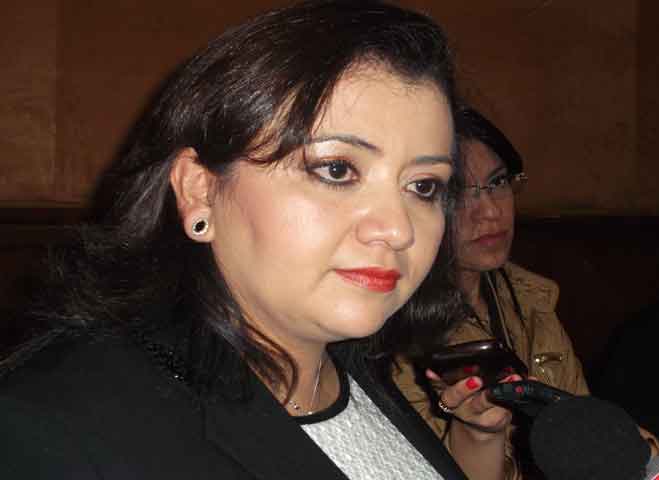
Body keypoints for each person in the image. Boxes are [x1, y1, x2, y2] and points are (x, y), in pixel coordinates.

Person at [0, 2, 476, 478]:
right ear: (200, 191)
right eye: (336, 170)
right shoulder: (55, 429)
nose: (398, 229)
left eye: (423, 186)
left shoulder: (351, 367)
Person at [393, 106, 659, 479]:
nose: (490, 211)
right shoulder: (393, 328)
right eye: (458, 192)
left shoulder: (531, 298)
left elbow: (584, 426)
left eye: (498, 182)